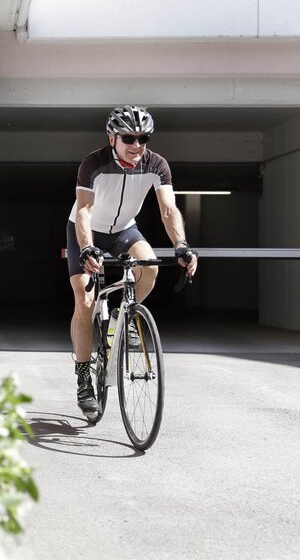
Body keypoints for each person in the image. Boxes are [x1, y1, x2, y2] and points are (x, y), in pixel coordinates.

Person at [67, 105, 198, 421]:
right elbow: (84, 210)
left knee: (149, 266)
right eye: (129, 138)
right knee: (85, 301)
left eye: (143, 138)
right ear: (112, 138)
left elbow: (168, 210)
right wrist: (87, 248)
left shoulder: (156, 165)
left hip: (125, 230)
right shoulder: (93, 164)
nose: (137, 145)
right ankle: (84, 378)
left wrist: (181, 244)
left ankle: (122, 316)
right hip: (86, 230)